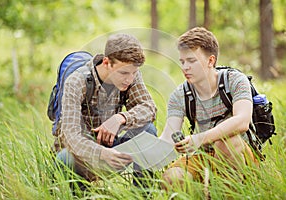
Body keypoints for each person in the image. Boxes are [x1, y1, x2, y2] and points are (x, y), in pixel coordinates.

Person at [159, 27, 258, 190]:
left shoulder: (235, 80)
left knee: (226, 142)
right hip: (202, 156)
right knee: (172, 178)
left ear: (210, 61)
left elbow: (242, 121)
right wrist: (140, 152)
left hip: (240, 154)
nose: (185, 67)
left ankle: (231, 192)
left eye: (191, 61)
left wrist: (200, 138)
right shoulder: (180, 94)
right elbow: (168, 136)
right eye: (182, 61)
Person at [53, 33, 157, 188]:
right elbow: (71, 137)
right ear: (107, 62)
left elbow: (149, 107)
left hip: (111, 146)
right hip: (81, 155)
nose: (129, 79)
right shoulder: (76, 81)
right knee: (65, 158)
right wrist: (101, 153)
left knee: (148, 130)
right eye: (123, 73)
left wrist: (121, 118)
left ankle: (141, 196)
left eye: (134, 73)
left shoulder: (131, 73)